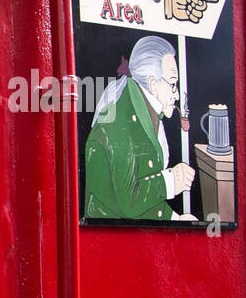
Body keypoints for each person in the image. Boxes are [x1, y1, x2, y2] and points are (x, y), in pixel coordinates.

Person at [82, 35, 195, 221]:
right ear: (152, 84)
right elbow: (130, 202)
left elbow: (146, 199)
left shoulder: (145, 111)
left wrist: (175, 219)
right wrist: (171, 181)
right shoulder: (118, 122)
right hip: (110, 236)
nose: (176, 94)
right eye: (173, 84)